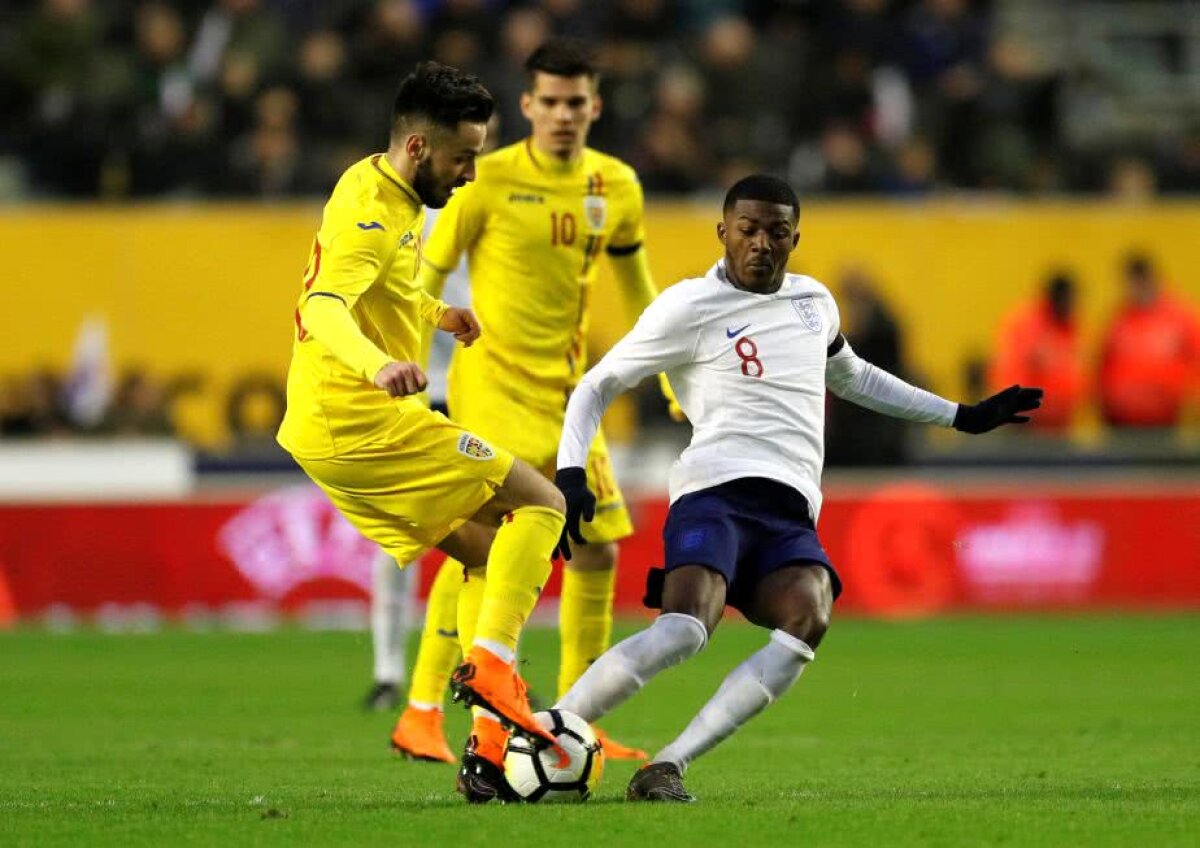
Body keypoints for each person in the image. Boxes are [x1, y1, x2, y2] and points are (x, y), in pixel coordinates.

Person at [551, 175, 1043, 802]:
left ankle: (666, 766)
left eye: (776, 232)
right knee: (685, 629)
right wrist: (572, 472)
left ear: (795, 237)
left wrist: (960, 415)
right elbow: (596, 385)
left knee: (808, 618)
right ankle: (549, 728)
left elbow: (854, 376)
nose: (761, 243)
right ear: (723, 232)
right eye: (749, 230)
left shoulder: (814, 303)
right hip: (715, 492)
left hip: (789, 512)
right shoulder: (687, 307)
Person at [275, 62, 567, 801]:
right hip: (361, 417)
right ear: (416, 148)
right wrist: (378, 367)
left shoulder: (374, 186)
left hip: (326, 425)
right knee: (542, 504)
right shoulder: (377, 211)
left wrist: (436, 315)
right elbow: (324, 308)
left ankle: (486, 748)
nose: (471, 172)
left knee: (480, 555)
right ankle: (496, 671)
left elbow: (383, 278)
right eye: (462, 156)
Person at [388, 38, 676, 783]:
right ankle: (424, 708)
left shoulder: (616, 185)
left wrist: (673, 374)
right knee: (485, 542)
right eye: (548, 101)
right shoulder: (485, 180)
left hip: (570, 396)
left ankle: (579, 719)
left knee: (599, 549)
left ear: (595, 107)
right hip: (492, 389)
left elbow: (642, 294)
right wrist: (410, 368)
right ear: (527, 106)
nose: (562, 114)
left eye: (575, 102)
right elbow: (426, 271)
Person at [1098, 253, 1200, 428]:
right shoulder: (1118, 321)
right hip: (1122, 421)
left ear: (1151, 279)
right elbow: (1102, 366)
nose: (1134, 289)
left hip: (1168, 419)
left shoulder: (1179, 319)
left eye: (1139, 282)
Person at [990, 270, 1086, 430]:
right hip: (1026, 423)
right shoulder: (1027, 326)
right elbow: (1012, 371)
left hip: (1059, 423)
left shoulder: (1071, 327)